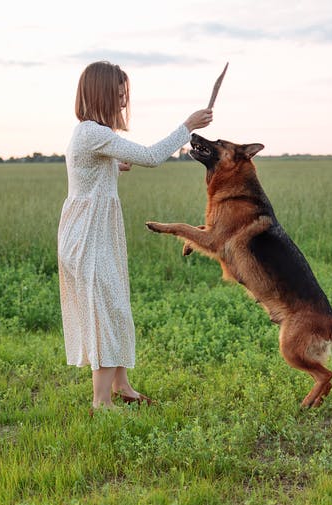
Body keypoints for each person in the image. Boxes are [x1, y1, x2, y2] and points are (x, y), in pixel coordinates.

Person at [57, 61, 213, 411]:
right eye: (119, 93)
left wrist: (113, 165)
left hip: (95, 231)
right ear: (102, 94)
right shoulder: (93, 133)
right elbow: (151, 157)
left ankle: (123, 387)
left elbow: (92, 168)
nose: (124, 100)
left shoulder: (91, 134)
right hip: (87, 235)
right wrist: (187, 127)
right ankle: (101, 402)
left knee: (116, 305)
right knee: (105, 310)